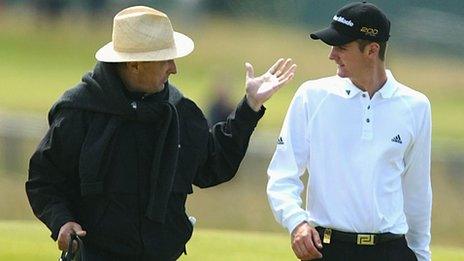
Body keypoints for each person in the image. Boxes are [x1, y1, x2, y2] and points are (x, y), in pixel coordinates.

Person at [26, 6, 296, 260]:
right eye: (165, 59)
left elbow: (213, 164)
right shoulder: (79, 111)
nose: (174, 68)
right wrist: (61, 221)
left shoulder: (180, 110)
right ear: (134, 65)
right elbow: (44, 180)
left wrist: (250, 107)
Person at [267, 2, 431, 261]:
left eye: (341, 47)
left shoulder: (416, 106)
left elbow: (417, 190)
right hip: (328, 250)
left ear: (372, 50)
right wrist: (297, 222)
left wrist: (421, 254)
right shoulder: (312, 96)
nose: (332, 55)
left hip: (393, 250)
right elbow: (282, 175)